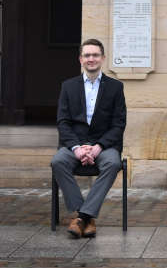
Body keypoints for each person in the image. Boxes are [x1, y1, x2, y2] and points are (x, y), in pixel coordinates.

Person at [50, 38, 127, 239]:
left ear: (102, 58)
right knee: (58, 161)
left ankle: (81, 217)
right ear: (80, 59)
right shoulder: (68, 86)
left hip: (104, 146)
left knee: (113, 163)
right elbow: (63, 122)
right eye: (87, 55)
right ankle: (86, 216)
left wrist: (98, 147)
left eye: (95, 55)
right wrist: (77, 148)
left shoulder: (115, 87)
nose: (91, 59)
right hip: (74, 145)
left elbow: (119, 124)